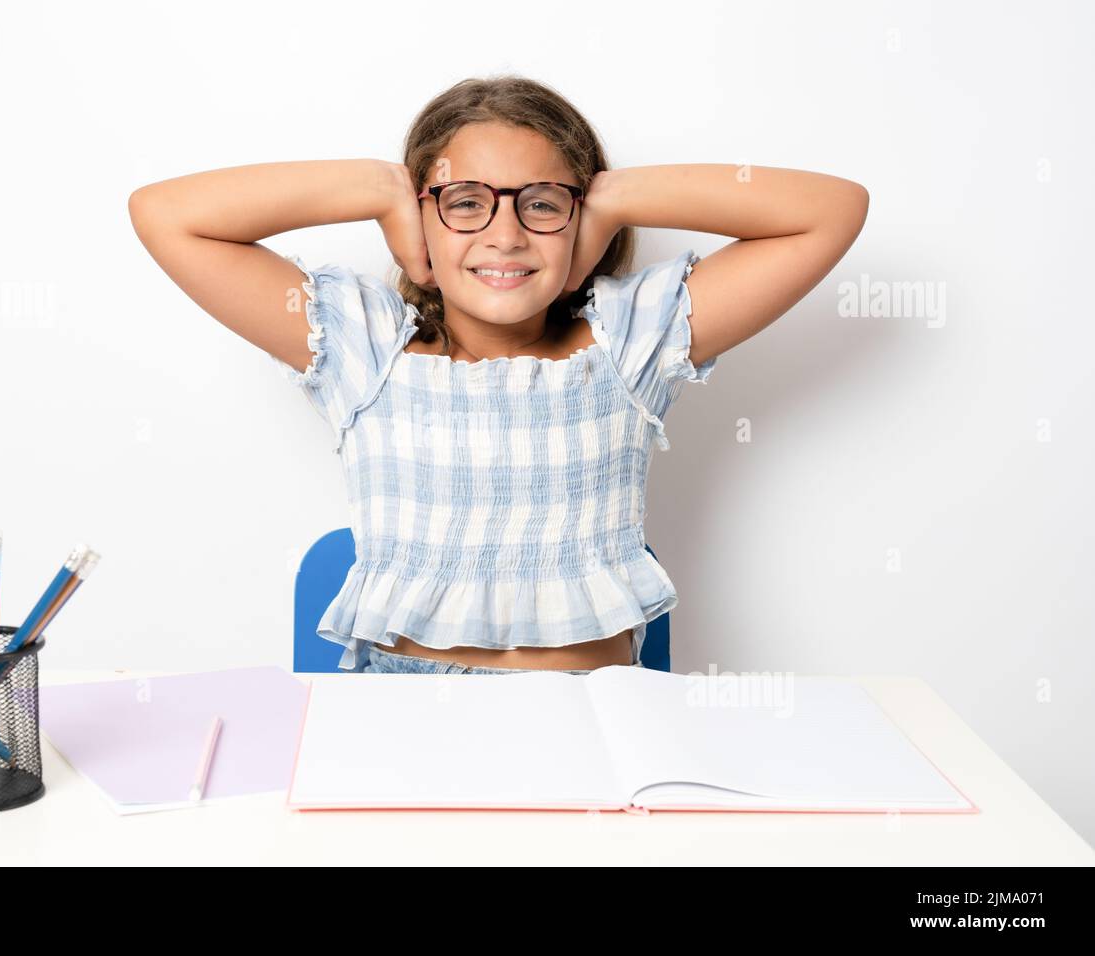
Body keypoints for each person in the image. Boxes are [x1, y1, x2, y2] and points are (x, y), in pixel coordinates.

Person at [127, 75, 868, 676]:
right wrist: (380, 187)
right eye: (464, 202)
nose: (505, 235)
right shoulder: (362, 346)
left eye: (542, 203)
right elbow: (166, 214)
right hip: (404, 727)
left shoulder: (629, 341)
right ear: (423, 217)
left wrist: (610, 198)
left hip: (591, 714)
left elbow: (831, 211)